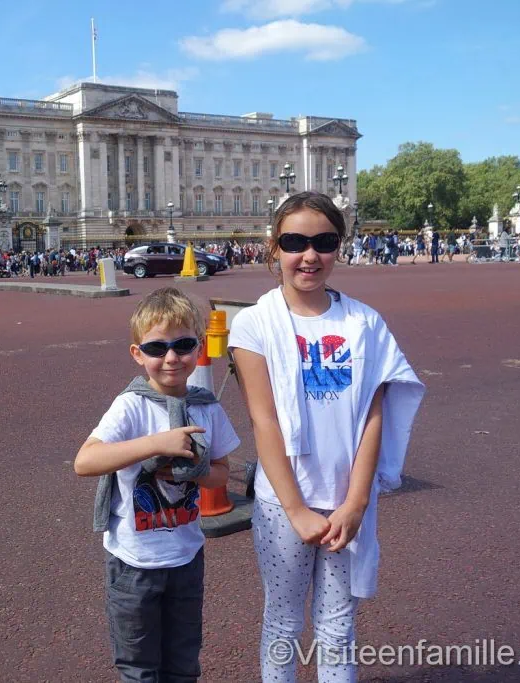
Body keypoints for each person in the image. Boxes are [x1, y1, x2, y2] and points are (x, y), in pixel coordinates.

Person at [228, 191, 425, 682]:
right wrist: (295, 509)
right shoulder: (253, 323)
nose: (309, 255)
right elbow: (263, 419)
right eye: (295, 241)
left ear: (341, 245)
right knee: (284, 622)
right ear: (273, 248)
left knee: (338, 628)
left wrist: (357, 502)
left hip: (344, 499)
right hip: (283, 502)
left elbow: (373, 417)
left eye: (324, 241)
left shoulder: (365, 322)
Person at [74, 287, 241, 682]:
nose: (170, 358)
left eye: (183, 345)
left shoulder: (206, 406)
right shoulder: (131, 405)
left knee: (183, 662)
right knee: (138, 665)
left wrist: (196, 471)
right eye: (156, 348)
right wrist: (155, 444)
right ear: (138, 354)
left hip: (185, 556)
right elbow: (85, 461)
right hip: (134, 562)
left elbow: (220, 471)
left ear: (198, 348)